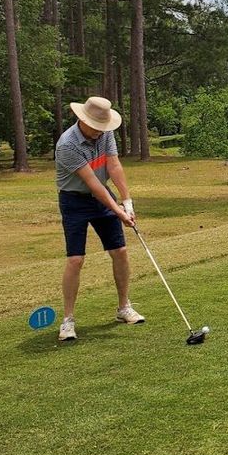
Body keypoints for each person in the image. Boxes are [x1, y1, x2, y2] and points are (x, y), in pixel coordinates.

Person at [54, 96, 144, 341]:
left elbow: (113, 167)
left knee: (120, 251)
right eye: (96, 126)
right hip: (74, 200)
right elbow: (93, 184)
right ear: (82, 120)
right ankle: (68, 321)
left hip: (103, 197)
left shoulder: (104, 134)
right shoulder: (67, 145)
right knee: (75, 259)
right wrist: (118, 212)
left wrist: (127, 201)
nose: (100, 132)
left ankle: (124, 307)